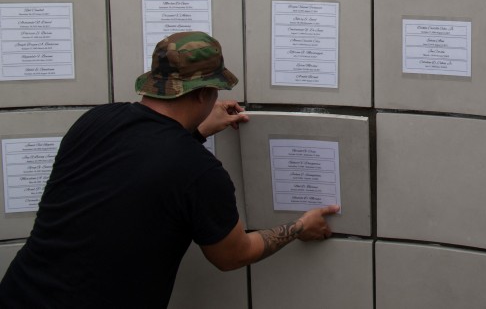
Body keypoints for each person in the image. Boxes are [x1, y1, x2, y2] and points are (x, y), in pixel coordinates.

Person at [0, 31, 338, 308]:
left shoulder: (96, 120)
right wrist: (299, 226)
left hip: (19, 294)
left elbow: (142, 159)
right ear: (204, 93)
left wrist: (198, 128)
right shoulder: (199, 172)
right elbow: (232, 254)